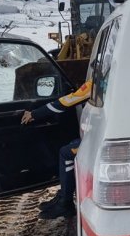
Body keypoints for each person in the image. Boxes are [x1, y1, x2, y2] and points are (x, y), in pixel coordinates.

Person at [20, 79, 91, 219]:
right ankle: (64, 194)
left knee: (66, 153)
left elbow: (68, 100)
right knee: (72, 144)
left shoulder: (100, 78)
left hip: (102, 139)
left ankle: (66, 203)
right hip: (99, 134)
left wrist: (35, 114)